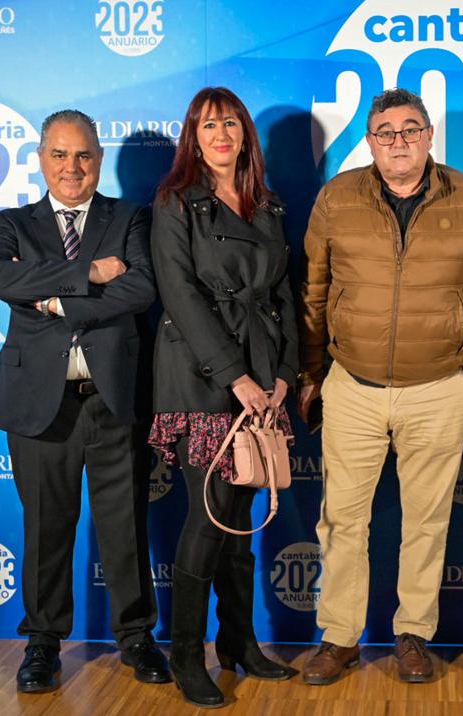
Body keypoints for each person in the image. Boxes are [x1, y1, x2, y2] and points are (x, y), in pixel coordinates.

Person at [297, 88, 463, 685]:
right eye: (386, 132)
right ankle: (339, 637)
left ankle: (413, 633)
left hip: (440, 388)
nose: (399, 142)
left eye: (410, 129)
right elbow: (313, 294)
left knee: (427, 521)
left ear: (429, 137)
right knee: (341, 519)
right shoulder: (337, 199)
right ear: (369, 141)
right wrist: (312, 375)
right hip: (352, 386)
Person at [0, 110, 169, 693]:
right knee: (45, 528)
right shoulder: (10, 222)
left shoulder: (130, 217)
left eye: (83, 155)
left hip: (112, 399)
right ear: (41, 158)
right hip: (40, 405)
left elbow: (141, 288)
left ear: (99, 159)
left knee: (124, 527)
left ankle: (136, 637)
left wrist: (58, 299)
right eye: (60, 155)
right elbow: (0, 280)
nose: (72, 167)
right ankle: (42, 642)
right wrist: (89, 272)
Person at [147, 86, 298, 709]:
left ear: (245, 134)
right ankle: (186, 653)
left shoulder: (266, 203)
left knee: (240, 523)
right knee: (209, 519)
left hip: (263, 380)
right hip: (201, 376)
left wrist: (284, 374)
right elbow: (179, 294)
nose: (221, 134)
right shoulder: (175, 201)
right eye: (209, 125)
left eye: (231, 123)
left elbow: (283, 293)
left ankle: (239, 642)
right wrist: (235, 376)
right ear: (193, 135)